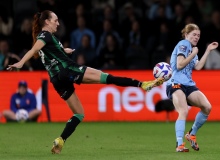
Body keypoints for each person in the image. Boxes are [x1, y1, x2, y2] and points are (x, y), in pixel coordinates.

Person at [7, 10, 164, 154]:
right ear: (47, 22)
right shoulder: (45, 36)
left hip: (57, 80)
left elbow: (49, 53)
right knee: (107, 77)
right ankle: (143, 84)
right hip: (68, 70)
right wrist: (21, 63)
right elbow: (34, 49)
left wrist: (64, 50)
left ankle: (60, 140)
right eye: (55, 20)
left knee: (79, 113)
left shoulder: (50, 38)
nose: (58, 23)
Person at [166, 23, 218, 152]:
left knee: (207, 107)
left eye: (198, 35)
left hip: (188, 84)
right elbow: (179, 65)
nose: (196, 37)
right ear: (186, 34)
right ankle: (179, 144)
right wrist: (193, 53)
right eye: (194, 34)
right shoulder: (184, 44)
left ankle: (191, 134)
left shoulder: (192, 49)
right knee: (183, 111)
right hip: (175, 83)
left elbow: (198, 66)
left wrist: (207, 50)